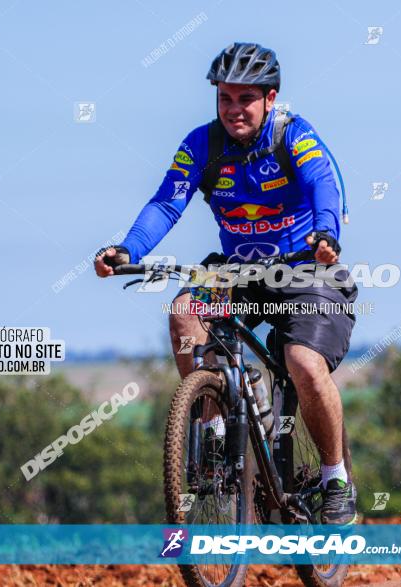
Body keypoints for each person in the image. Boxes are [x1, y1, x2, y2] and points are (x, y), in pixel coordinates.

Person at [94, 42, 358, 524]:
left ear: (270, 98)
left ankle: (335, 478)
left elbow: (325, 183)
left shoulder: (293, 136)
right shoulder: (202, 144)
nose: (234, 110)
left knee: (302, 361)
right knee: (183, 313)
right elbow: (167, 202)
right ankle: (214, 430)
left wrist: (327, 234)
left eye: (245, 99)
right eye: (225, 99)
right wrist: (129, 248)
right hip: (236, 269)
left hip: (306, 267)